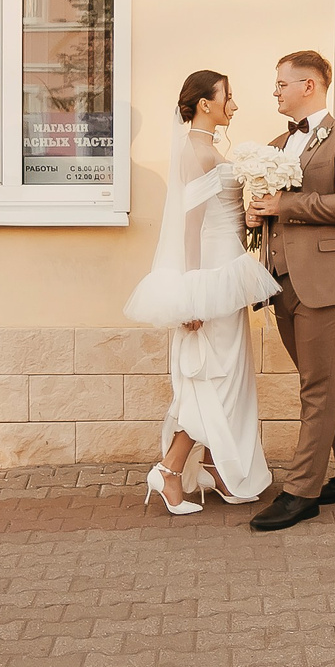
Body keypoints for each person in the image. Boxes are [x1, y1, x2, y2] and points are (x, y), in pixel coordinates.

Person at [122, 71, 277, 515]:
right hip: (211, 275)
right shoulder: (195, 150)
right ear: (206, 104)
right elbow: (190, 228)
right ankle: (170, 469)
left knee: (227, 375)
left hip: (227, 268)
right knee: (214, 376)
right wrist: (192, 296)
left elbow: (221, 212)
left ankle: (215, 468)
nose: (235, 104)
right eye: (229, 96)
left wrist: (252, 214)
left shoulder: (207, 147)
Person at [241, 51, 335, 533]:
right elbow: (271, 211)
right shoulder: (278, 144)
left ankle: (302, 491)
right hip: (282, 281)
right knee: (329, 380)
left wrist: (287, 205)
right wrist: (255, 215)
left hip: (328, 282)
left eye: (283, 83)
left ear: (310, 86)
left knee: (316, 388)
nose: (275, 91)